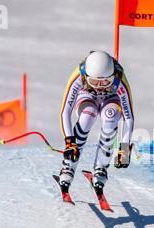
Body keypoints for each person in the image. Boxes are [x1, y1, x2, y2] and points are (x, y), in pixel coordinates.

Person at [57, 51, 134, 192]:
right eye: (94, 81)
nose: (99, 86)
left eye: (105, 81)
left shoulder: (120, 79)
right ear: (86, 76)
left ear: (113, 77)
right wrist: (69, 142)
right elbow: (65, 112)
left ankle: (101, 167)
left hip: (111, 99)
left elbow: (128, 117)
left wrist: (124, 148)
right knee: (87, 116)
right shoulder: (78, 77)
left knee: (110, 118)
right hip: (87, 96)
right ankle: (68, 166)